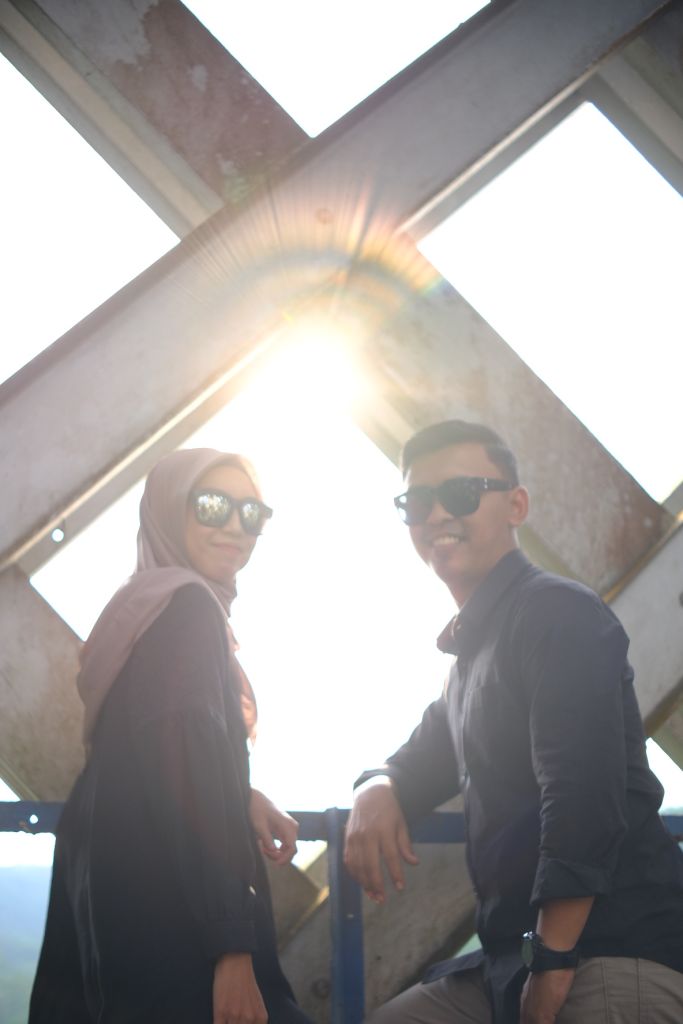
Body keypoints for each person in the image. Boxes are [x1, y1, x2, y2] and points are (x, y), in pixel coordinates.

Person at [344, 420, 683, 1024]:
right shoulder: (469, 664)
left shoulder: (556, 611)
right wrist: (375, 784)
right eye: (418, 501)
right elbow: (416, 761)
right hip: (511, 964)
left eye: (462, 493)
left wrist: (552, 964)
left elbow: (581, 797)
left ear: (516, 505)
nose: (437, 513)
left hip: (607, 952)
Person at [30, 448, 313, 1024]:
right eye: (211, 506)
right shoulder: (187, 609)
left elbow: (160, 751)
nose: (235, 526)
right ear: (167, 511)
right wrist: (232, 949)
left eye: (252, 513)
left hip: (119, 911)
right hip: (181, 931)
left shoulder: (140, 611)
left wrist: (239, 792)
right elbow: (189, 755)